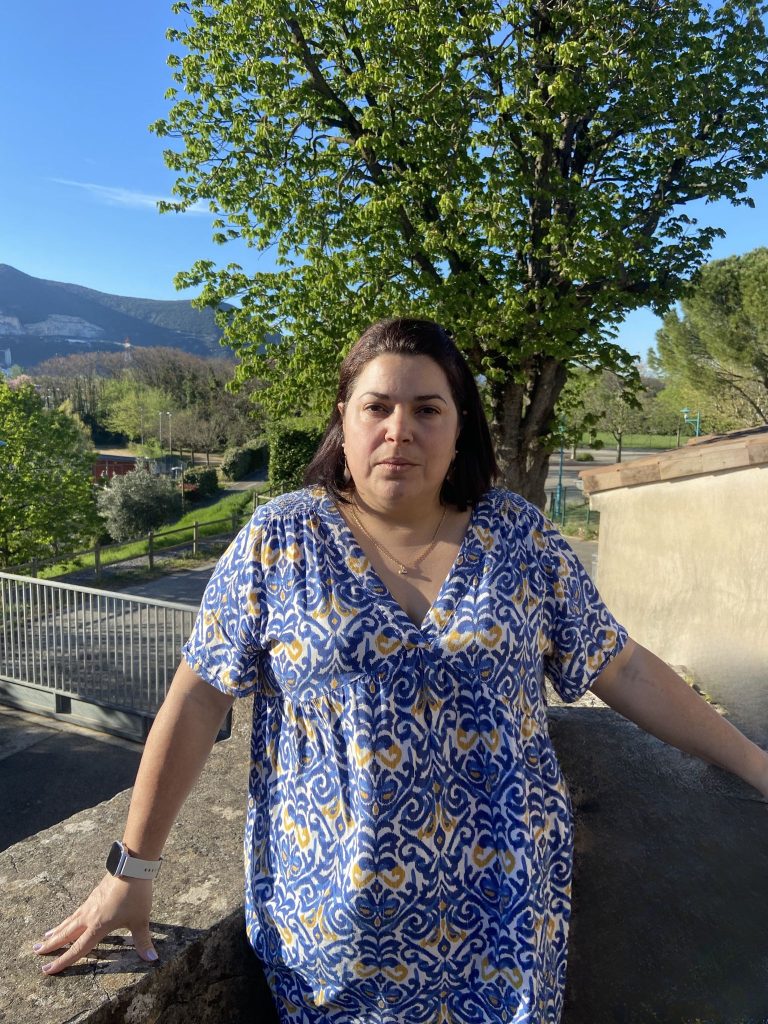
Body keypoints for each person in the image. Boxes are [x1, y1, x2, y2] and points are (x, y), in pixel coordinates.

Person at [34, 318, 768, 1022]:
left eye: (427, 409)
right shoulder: (279, 540)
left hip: (508, 929)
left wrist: (756, 764)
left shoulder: (520, 538)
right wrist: (132, 870)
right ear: (344, 420)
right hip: (330, 944)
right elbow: (197, 701)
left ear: (459, 427)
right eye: (377, 407)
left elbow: (623, 667)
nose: (399, 430)